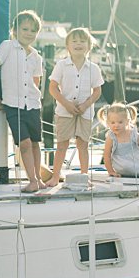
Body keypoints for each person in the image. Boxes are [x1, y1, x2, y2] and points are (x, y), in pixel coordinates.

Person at [0, 9, 45, 192]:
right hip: (13, 105)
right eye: (25, 29)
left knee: (35, 143)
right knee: (24, 144)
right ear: (15, 30)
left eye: (33, 30)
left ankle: (39, 179)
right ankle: (32, 180)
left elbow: (36, 81)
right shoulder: (7, 46)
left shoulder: (36, 56)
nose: (29, 33)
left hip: (33, 105)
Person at [45, 27, 103, 187]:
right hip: (64, 111)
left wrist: (85, 105)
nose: (78, 44)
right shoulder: (62, 65)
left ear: (89, 46)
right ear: (68, 46)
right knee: (62, 144)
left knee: (83, 145)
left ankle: (85, 176)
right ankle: (55, 176)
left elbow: (97, 91)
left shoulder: (94, 68)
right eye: (74, 41)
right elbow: (53, 87)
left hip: (85, 112)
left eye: (82, 41)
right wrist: (67, 104)